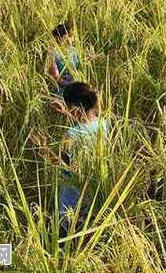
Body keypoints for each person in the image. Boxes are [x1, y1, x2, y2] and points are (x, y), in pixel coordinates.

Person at [51, 82, 109, 236]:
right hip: (95, 191)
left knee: (69, 234)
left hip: (73, 196)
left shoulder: (71, 135)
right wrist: (67, 113)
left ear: (74, 108)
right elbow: (85, 123)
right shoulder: (104, 124)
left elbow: (62, 164)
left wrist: (42, 149)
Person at [46, 23, 80, 95]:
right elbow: (56, 77)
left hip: (77, 85)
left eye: (71, 36)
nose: (70, 39)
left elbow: (80, 69)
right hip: (62, 88)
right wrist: (71, 85)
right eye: (67, 36)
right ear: (58, 38)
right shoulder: (52, 53)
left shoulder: (75, 51)